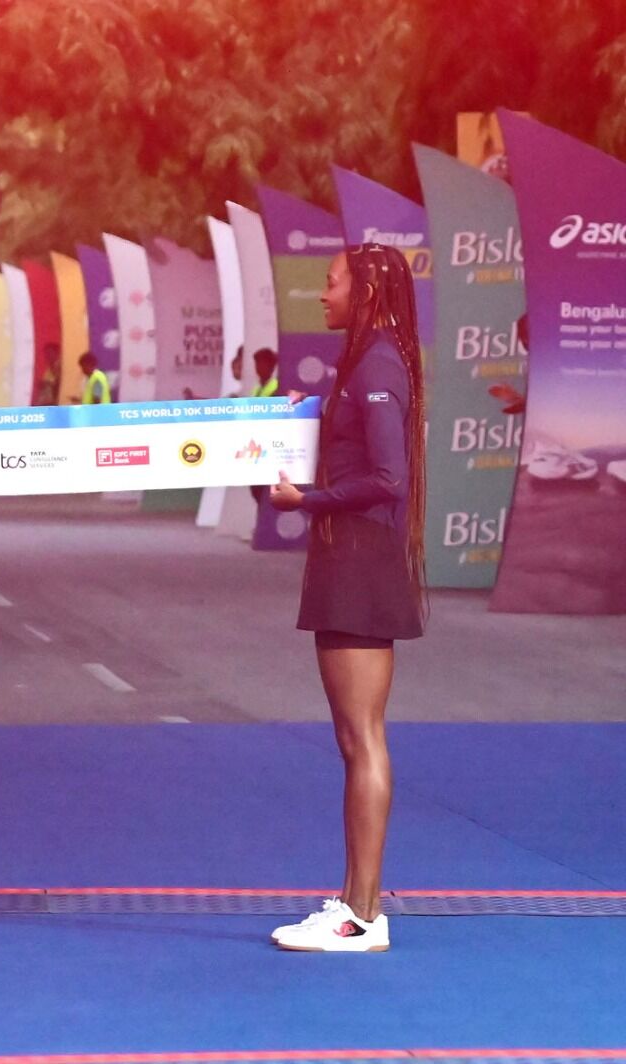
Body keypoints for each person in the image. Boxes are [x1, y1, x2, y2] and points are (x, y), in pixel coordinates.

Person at [268, 243, 427, 953]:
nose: (322, 294)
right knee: (351, 739)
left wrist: (309, 501)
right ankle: (353, 902)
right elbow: (354, 453)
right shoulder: (362, 364)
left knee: (363, 737)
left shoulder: (379, 364)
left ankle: (363, 915)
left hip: (362, 561)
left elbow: (388, 477)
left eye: (331, 283)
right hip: (346, 557)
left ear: (363, 291)